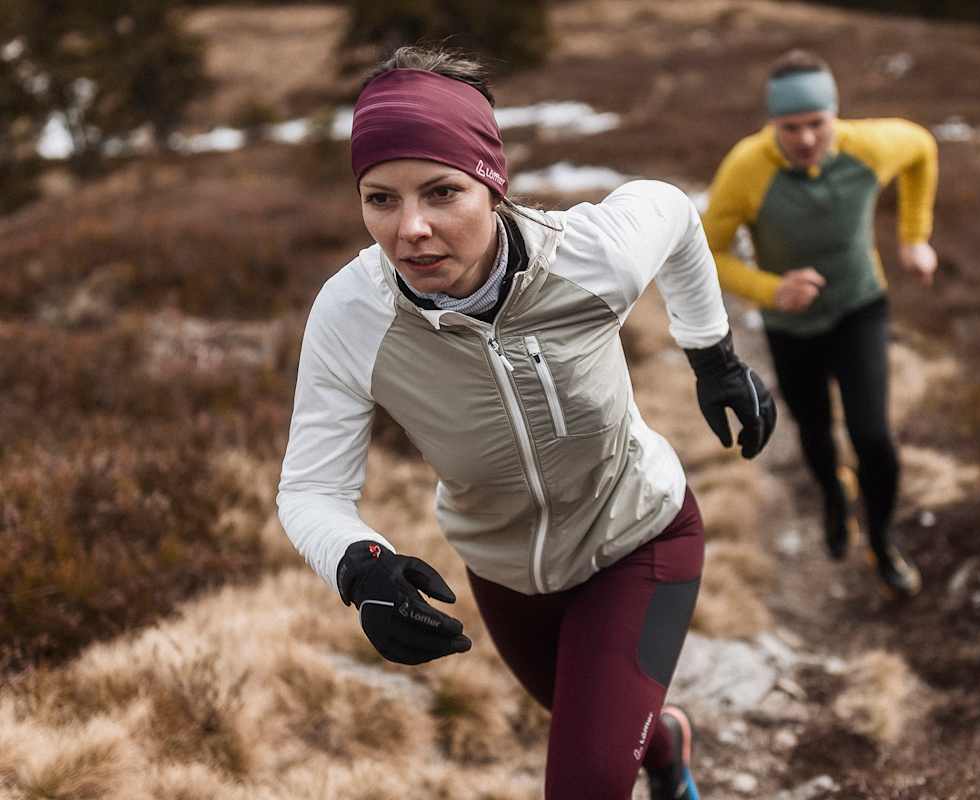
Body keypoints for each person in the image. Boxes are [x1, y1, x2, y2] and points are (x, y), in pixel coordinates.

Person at [276, 46, 776, 800]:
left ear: (491, 183)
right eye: (381, 199)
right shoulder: (352, 315)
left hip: (637, 537)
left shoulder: (587, 259)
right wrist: (360, 565)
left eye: (441, 192)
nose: (411, 228)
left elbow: (672, 212)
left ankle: (650, 744)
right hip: (506, 573)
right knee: (601, 731)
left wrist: (713, 356)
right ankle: (665, 742)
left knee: (582, 784)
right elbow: (309, 489)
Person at [701, 49, 939, 598]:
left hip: (860, 308)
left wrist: (914, 237)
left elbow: (923, 148)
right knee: (814, 434)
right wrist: (771, 290)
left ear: (835, 114)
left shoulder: (869, 148)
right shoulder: (746, 168)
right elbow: (706, 251)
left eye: (817, 123)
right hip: (792, 328)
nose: (806, 138)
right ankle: (834, 495)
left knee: (873, 436)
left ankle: (881, 541)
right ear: (772, 123)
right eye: (791, 127)